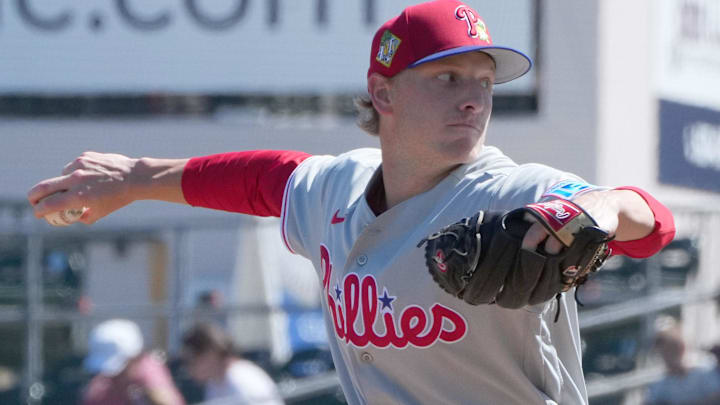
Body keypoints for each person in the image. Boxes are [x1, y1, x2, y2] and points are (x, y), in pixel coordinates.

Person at [28, 1, 675, 403]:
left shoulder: (511, 192)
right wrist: (138, 177)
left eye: (483, 81)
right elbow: (266, 178)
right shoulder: (336, 188)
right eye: (447, 77)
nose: (473, 97)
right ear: (383, 93)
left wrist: (598, 211)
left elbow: (651, 222)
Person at [81, 319, 186, 405]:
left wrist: (151, 395)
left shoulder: (149, 369)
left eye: (121, 368)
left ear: (136, 358)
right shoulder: (98, 391)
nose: (114, 376)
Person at [180, 322, 284, 405]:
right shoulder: (214, 383)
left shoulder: (240, 379)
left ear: (210, 354)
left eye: (192, 361)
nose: (189, 368)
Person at [644, 320, 720, 405]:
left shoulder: (707, 373)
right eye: (665, 350)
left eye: (674, 347)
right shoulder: (659, 388)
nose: (669, 355)